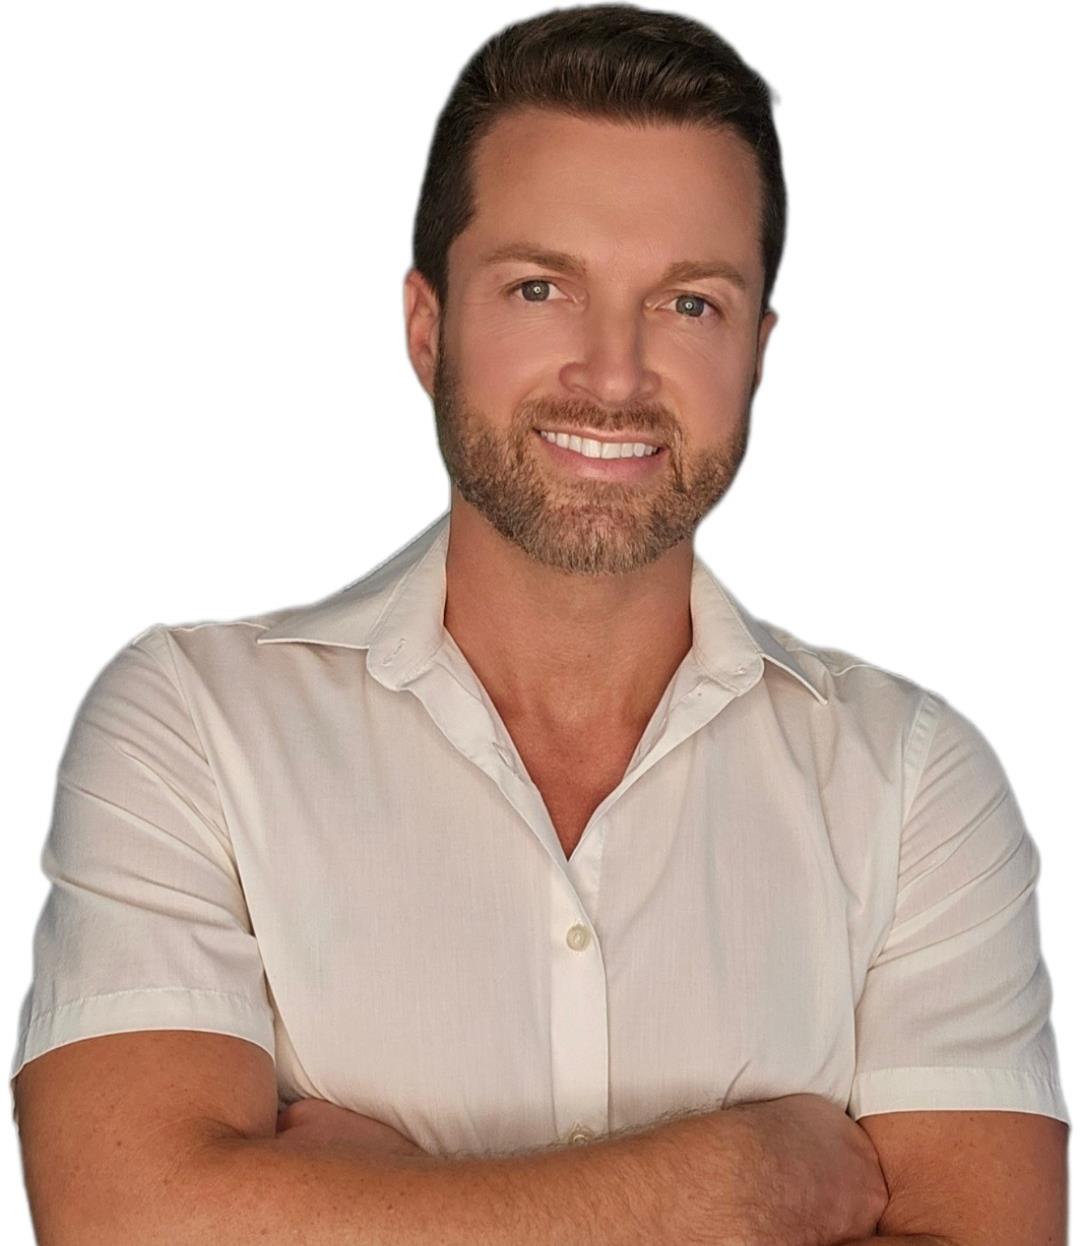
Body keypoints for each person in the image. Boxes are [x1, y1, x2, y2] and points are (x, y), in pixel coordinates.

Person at [10, 5, 1069, 1244]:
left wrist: (367, 1207)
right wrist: (740, 1184)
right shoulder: (194, 729)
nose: (614, 376)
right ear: (428, 329)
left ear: (758, 351)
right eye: (539, 288)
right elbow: (127, 1218)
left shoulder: (914, 785)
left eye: (690, 304)